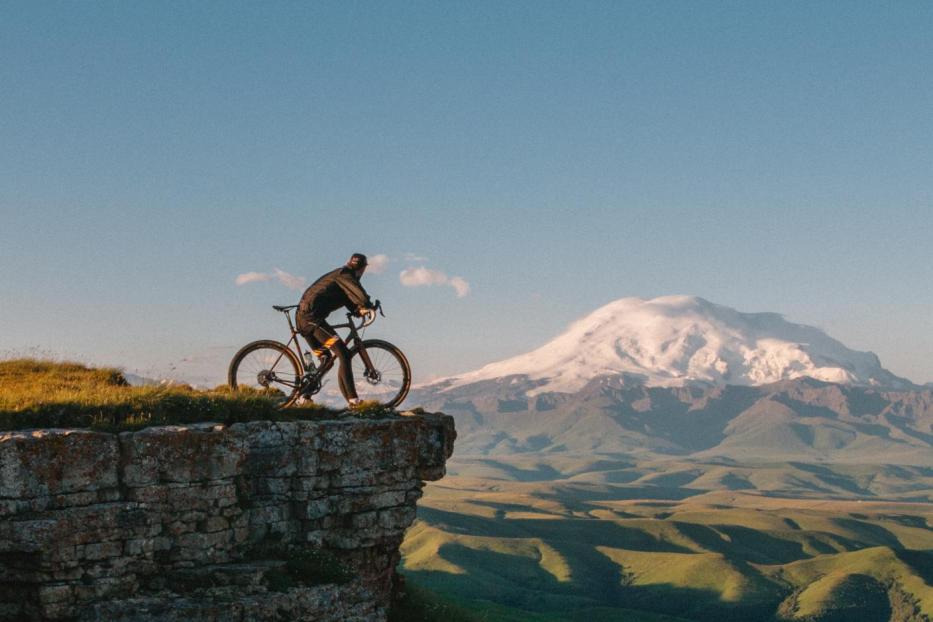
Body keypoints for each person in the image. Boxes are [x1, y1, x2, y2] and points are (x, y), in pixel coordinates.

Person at [296, 253, 375, 406]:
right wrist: (369, 305)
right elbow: (360, 295)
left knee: (326, 360)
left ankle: (304, 397)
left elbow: (349, 299)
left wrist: (359, 311)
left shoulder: (341, 277)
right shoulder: (346, 275)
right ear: (363, 268)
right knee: (344, 354)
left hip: (304, 319)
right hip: (312, 320)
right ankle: (353, 400)